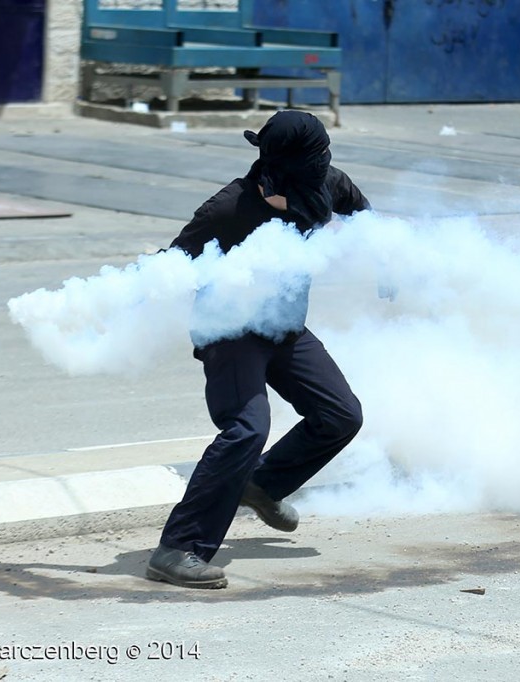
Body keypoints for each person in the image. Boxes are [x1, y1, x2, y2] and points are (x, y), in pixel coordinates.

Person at [146, 110, 371, 590]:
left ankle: (263, 485)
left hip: (286, 328)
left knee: (340, 415)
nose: (323, 166)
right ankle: (178, 549)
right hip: (230, 332)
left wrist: (390, 264)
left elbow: (365, 218)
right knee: (247, 429)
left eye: (324, 157)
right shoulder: (229, 208)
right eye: (313, 160)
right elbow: (171, 265)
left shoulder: (328, 184)